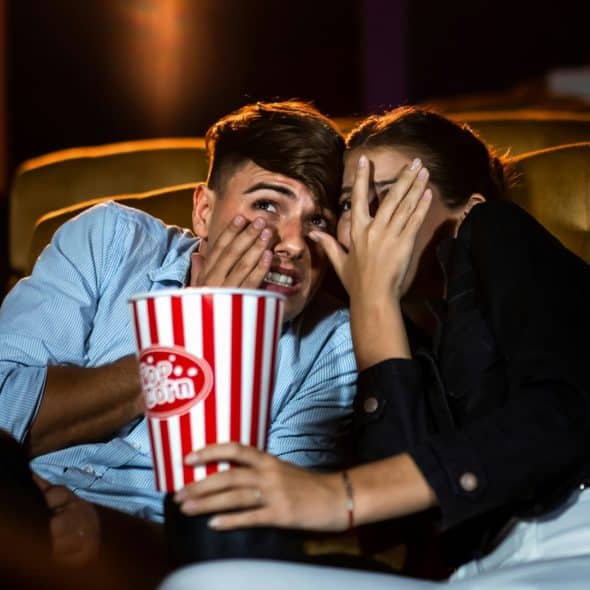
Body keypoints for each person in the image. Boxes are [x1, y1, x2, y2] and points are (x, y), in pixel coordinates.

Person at [170, 107, 590, 587]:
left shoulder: (496, 229)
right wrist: (375, 308)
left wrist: (340, 494)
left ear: (466, 209)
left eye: (385, 199)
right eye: (349, 205)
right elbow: (402, 530)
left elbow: (566, 411)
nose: (364, 226)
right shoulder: (371, 331)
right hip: (480, 574)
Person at [0, 100, 356, 526]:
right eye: (266, 205)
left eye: (317, 221)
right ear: (204, 212)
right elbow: (3, 406)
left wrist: (104, 533)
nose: (296, 244)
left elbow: (261, 524)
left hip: (145, 553)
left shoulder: (332, 343)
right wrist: (192, 333)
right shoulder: (108, 240)